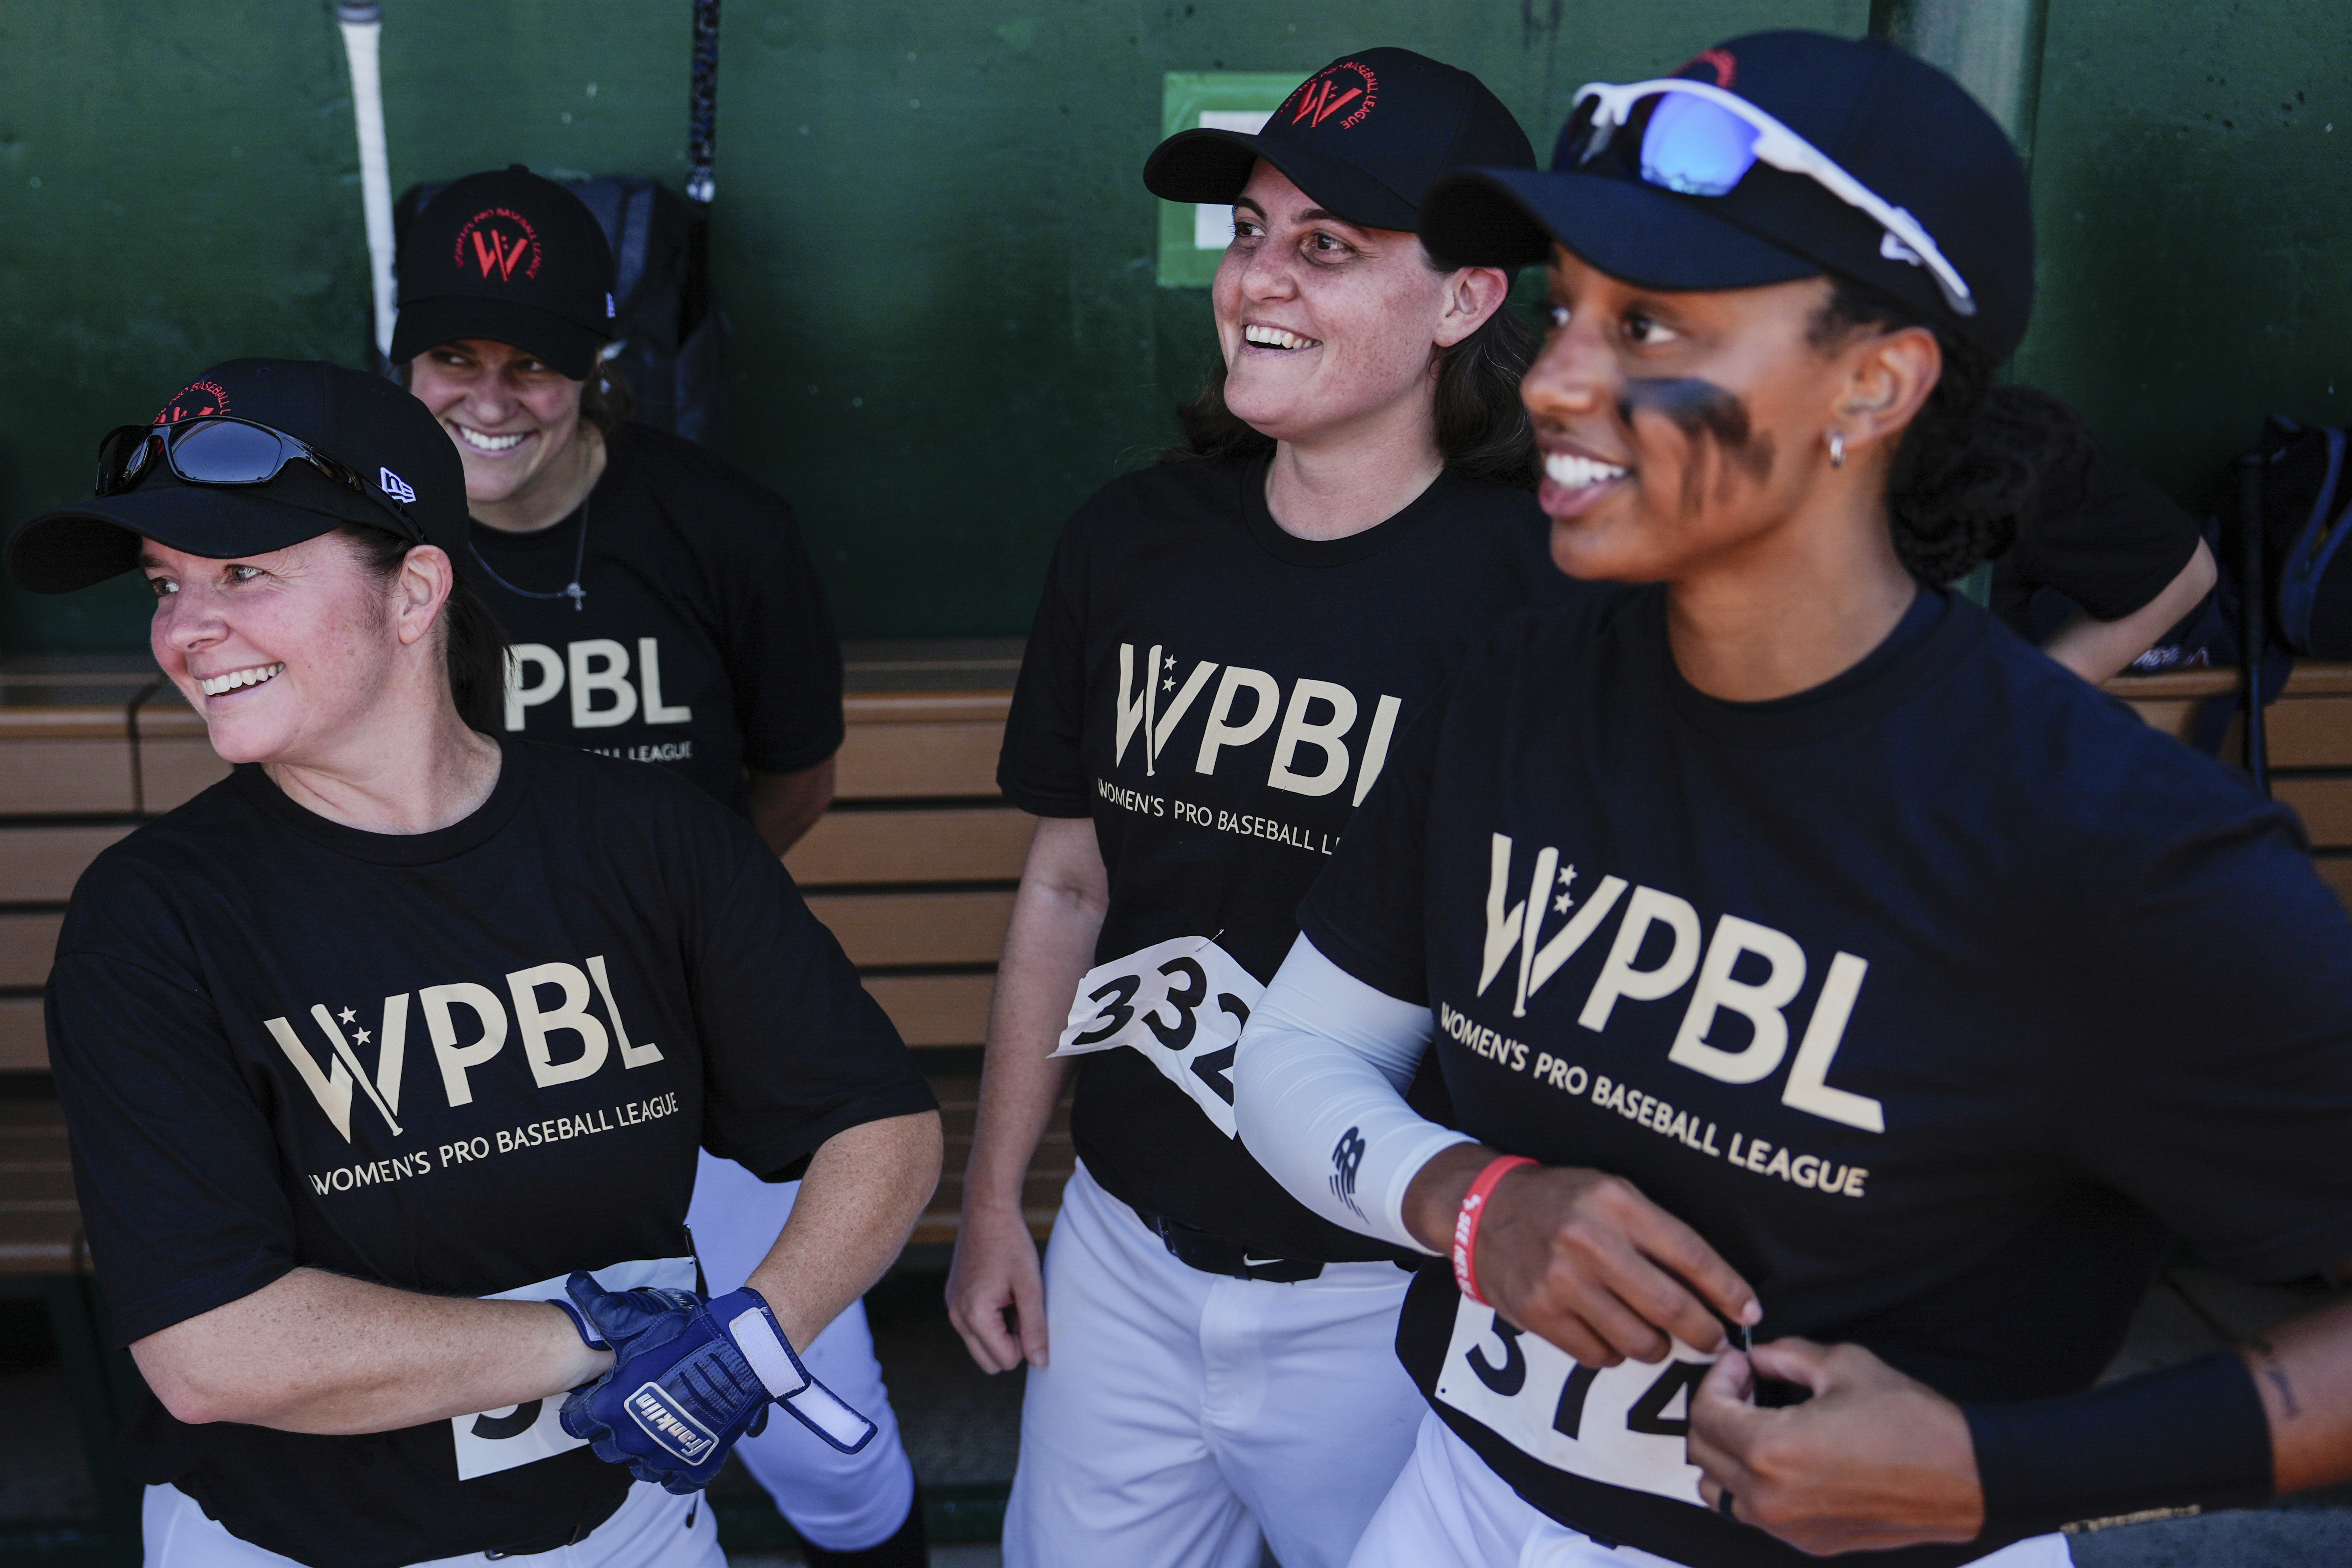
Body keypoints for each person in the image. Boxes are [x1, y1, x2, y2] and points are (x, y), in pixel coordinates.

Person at [1233, 30, 2352, 1568]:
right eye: (1568, 311)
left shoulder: (2102, 840)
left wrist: (2007, 1471)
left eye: (1653, 328)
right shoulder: (1514, 690)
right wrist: (1468, 1197)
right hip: (1460, 1508)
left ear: (1874, 381)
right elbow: (1293, 1052)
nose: (1557, 379)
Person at [3, 357, 941, 1568]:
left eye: (243, 572)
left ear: (414, 594)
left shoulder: (645, 837)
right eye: (164, 585)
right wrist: (611, 1343)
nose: (186, 632)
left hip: (631, 1531)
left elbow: (881, 1125)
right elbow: (213, 1348)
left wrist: (754, 1337)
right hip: (293, 1547)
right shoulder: (152, 922)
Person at [948, 48, 1590, 1568]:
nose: (1258, 282)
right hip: (1122, 1244)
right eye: (1249, 233)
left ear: (1467, 300)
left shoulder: (1548, 586)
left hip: (1390, 1285)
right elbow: (1068, 887)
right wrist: (997, 1200)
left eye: (1327, 248)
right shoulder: (1138, 535)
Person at [389, 166, 927, 1565]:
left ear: (596, 363)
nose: (491, 400)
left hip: (705, 1043)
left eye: (535, 365)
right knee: (535, 1440)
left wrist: (678, 932)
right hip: (464, 1067)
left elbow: (796, 774)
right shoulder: (367, 549)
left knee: (830, 1446)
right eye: (455, 357)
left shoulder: (720, 527)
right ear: (406, 357)